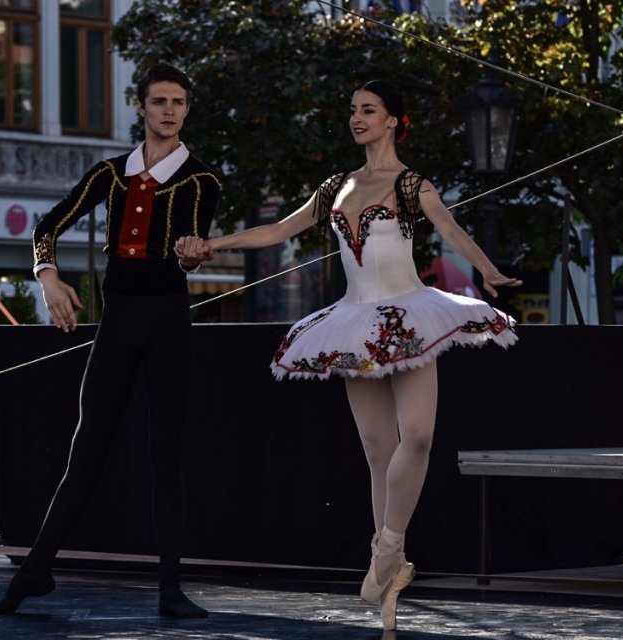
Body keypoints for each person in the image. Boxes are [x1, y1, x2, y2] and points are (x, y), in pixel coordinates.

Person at [175, 79, 520, 631]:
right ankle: (389, 572)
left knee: (419, 436)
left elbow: (450, 229)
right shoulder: (335, 185)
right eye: (353, 110)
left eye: (369, 110)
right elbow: (279, 230)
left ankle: (388, 548)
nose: (357, 118)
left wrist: (486, 269)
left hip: (408, 313)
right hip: (355, 320)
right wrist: (215, 244)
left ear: (393, 121)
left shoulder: (411, 184)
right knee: (378, 449)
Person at [0, 63, 220, 619]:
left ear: (188, 110)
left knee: (165, 455)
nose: (169, 110)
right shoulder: (109, 175)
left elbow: (191, 247)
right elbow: (46, 228)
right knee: (85, 450)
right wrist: (48, 278)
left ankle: (170, 589)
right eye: (159, 101)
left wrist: (191, 255)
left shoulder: (202, 181)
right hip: (118, 324)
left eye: (179, 102)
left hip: (168, 323)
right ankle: (34, 572)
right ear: (140, 107)